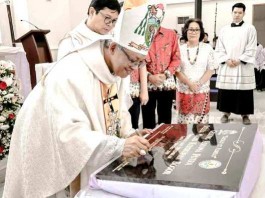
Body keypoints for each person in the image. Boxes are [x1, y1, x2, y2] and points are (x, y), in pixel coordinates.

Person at [3, 1, 164, 197]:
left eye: (140, 62)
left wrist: (131, 135)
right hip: (44, 144)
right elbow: (68, 134)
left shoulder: (118, 70)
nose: (134, 67)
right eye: (132, 60)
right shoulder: (72, 72)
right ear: (113, 47)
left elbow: (118, 112)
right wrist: (118, 146)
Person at [215, 2, 257, 125]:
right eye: (235, 12)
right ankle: (225, 113)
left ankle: (245, 115)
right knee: (227, 91)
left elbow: (252, 47)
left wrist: (240, 60)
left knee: (244, 92)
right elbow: (219, 47)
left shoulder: (250, 28)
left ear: (244, 13)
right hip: (228, 65)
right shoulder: (224, 29)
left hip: (243, 65)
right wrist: (226, 60)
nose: (237, 15)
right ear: (232, 13)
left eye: (240, 12)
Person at [175, 18, 216, 124]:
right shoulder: (179, 49)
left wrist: (198, 84)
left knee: (201, 125)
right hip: (184, 91)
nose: (193, 32)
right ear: (186, 31)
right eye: (191, 29)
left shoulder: (207, 48)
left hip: (201, 91)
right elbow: (177, 70)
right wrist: (190, 84)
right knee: (184, 125)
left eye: (196, 30)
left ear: (201, 32)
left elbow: (210, 69)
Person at [142, 25, 180, 129]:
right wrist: (149, 76)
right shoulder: (140, 33)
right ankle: (148, 144)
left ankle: (165, 143)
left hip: (166, 83)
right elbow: (136, 59)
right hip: (146, 84)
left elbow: (176, 58)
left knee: (165, 121)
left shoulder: (171, 34)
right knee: (147, 121)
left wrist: (165, 75)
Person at [57, 0, 121, 59]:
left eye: (114, 20)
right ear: (92, 12)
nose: (110, 24)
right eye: (107, 18)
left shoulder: (114, 38)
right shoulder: (71, 42)